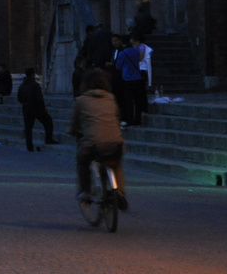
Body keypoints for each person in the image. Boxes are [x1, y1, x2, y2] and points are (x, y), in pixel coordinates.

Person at [70, 69, 126, 208]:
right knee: (116, 163)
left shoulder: (81, 100)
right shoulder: (111, 98)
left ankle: (86, 191)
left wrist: (72, 131)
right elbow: (117, 117)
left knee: (82, 162)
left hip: (94, 144)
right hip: (115, 142)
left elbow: (74, 123)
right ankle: (119, 192)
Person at [17, 66, 58, 152]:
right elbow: (39, 98)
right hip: (36, 108)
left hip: (26, 108)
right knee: (48, 121)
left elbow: (19, 98)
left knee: (28, 128)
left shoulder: (21, 86)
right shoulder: (35, 85)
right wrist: (43, 109)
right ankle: (48, 139)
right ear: (32, 75)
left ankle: (29, 146)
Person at [114, 37, 147, 126]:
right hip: (137, 77)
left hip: (127, 79)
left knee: (129, 101)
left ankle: (130, 120)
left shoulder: (122, 53)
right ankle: (138, 119)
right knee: (138, 100)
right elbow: (139, 60)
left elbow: (118, 67)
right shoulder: (136, 51)